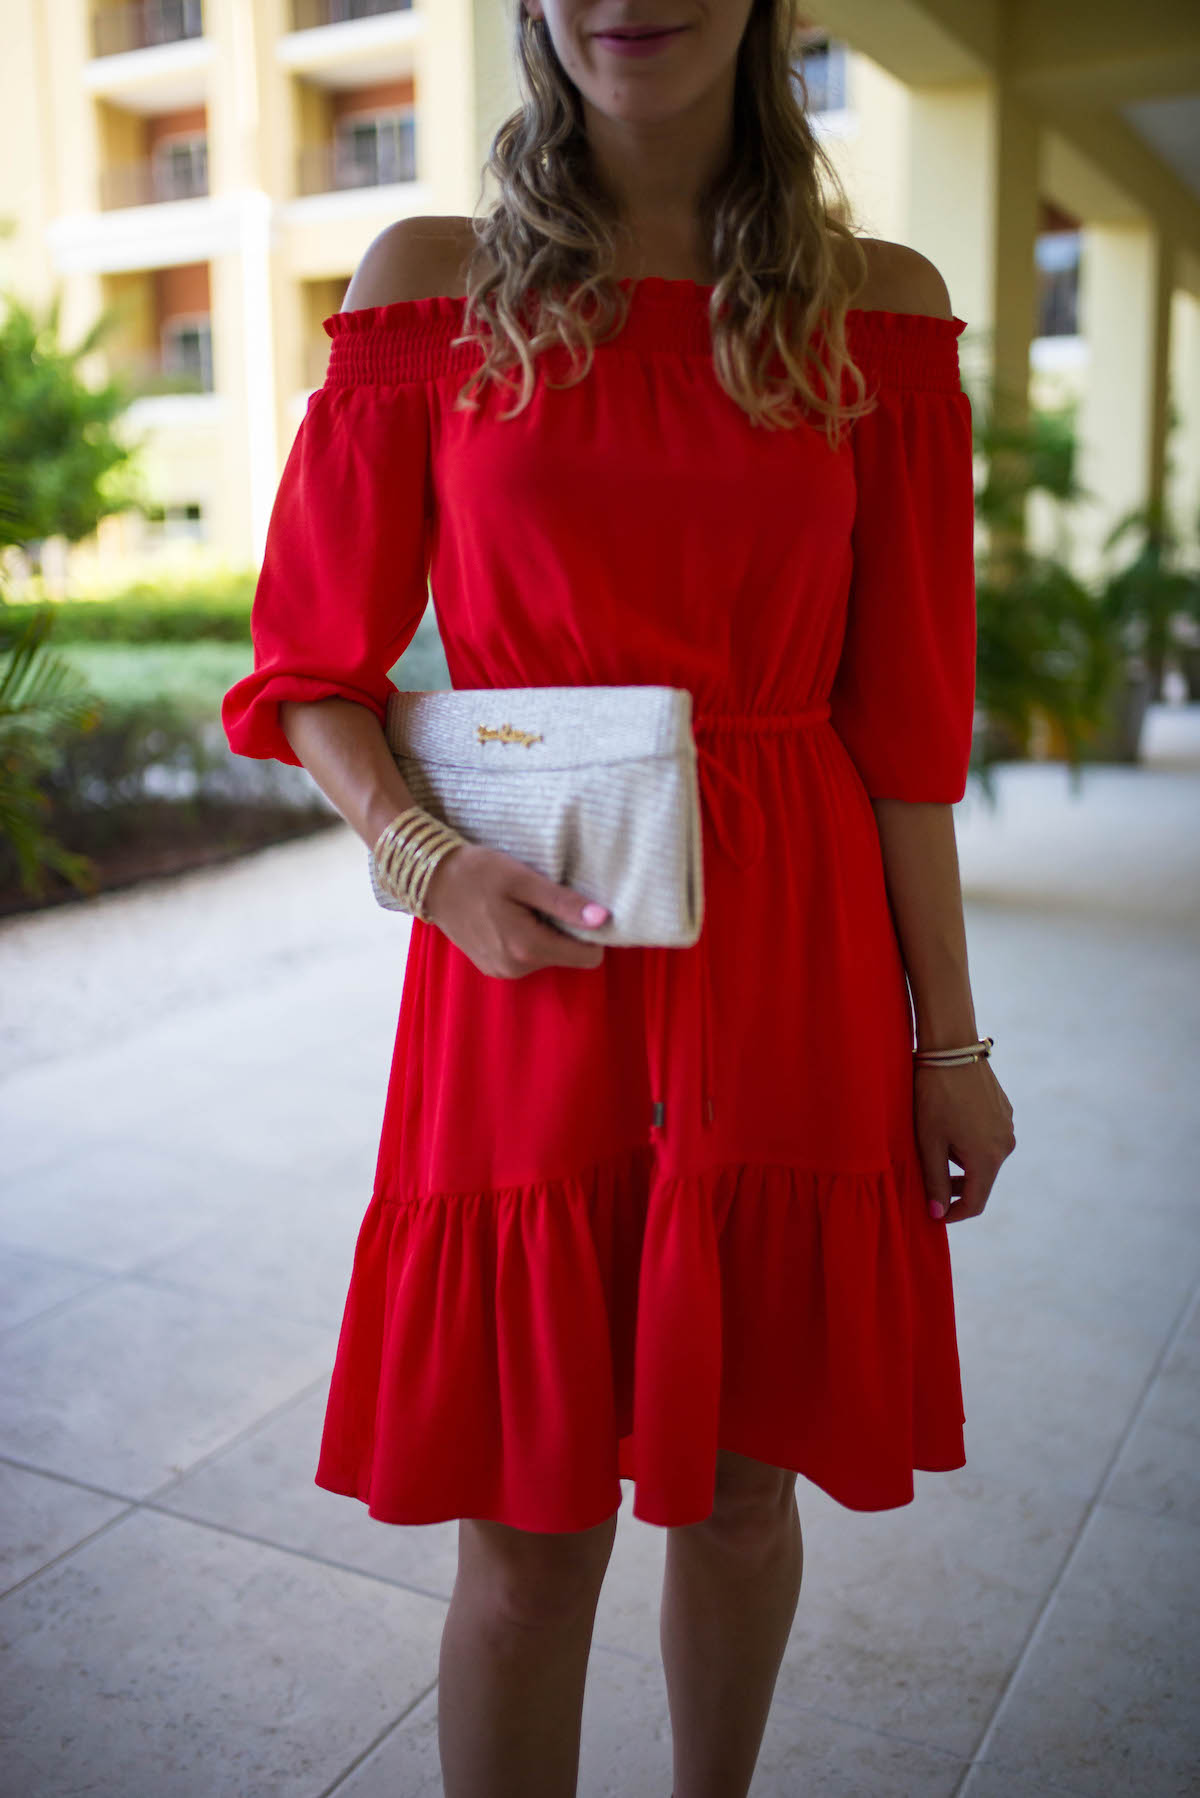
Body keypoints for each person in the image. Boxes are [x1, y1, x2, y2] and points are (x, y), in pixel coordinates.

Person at [221, 2, 1018, 1793]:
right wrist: (427, 866)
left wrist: (948, 1039)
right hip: (522, 964)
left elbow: (902, 734)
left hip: (794, 951)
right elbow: (312, 665)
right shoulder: (429, 280)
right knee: (527, 1523)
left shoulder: (875, 308)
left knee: (741, 1497)